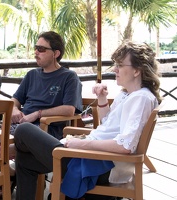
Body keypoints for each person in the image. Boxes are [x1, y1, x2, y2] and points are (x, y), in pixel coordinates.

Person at [13, 41, 162, 200]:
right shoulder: (129, 95)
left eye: (120, 65)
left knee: (24, 130)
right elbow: (108, 126)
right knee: (24, 160)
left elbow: (125, 145)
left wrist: (79, 144)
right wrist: (102, 98)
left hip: (100, 165)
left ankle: (8, 151)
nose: (115, 69)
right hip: (93, 158)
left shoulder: (141, 98)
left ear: (137, 71)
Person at [0, 31, 83, 199]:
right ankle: (11, 158)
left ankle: (9, 151)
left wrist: (37, 114)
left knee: (23, 130)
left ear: (56, 53)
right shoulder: (32, 75)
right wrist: (14, 109)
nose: (36, 52)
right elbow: (14, 100)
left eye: (41, 49)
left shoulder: (69, 77)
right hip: (20, 127)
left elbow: (70, 110)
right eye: (36, 48)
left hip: (45, 134)